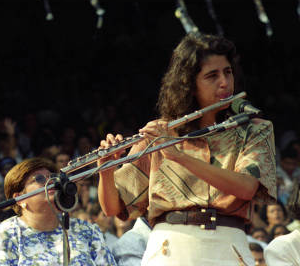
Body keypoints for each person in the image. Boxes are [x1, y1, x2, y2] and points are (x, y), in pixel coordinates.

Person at [97, 33, 277, 265]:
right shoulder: (160, 133)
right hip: (169, 248)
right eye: (212, 76)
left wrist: (178, 156)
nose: (224, 82)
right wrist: (105, 170)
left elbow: (246, 187)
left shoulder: (254, 128)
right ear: (189, 85)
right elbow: (112, 208)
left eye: (228, 72)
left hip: (228, 247)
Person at [0, 157, 116, 265]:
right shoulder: (0, 237)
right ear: (20, 199)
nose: (51, 182)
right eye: (40, 179)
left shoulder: (87, 231)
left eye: (52, 178)